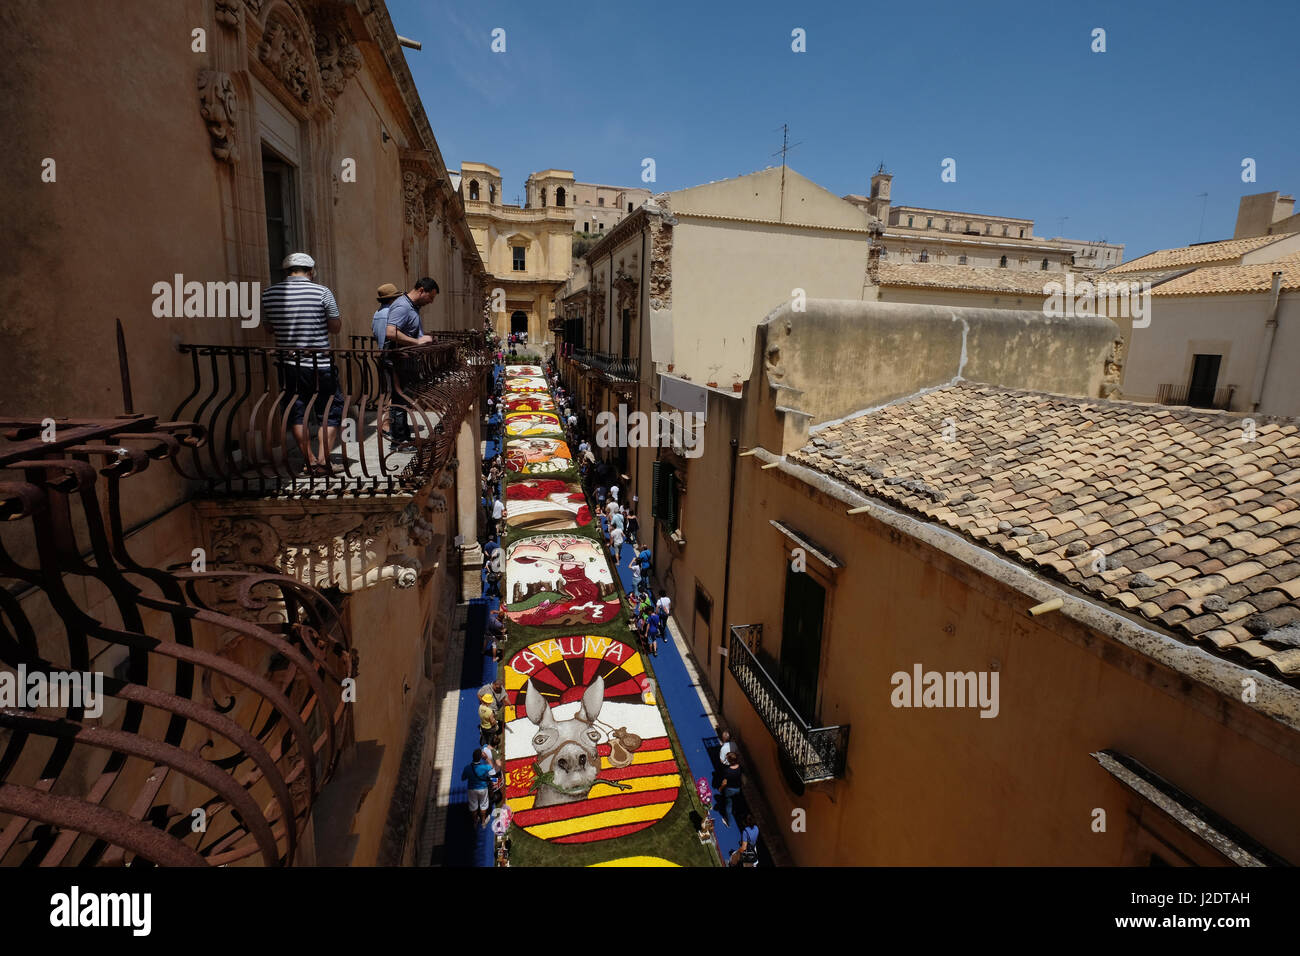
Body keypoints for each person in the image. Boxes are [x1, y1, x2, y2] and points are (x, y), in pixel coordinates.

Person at [261, 252, 344, 474]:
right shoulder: (322, 291)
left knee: (297, 412)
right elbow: (336, 326)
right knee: (330, 410)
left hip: (289, 365)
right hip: (320, 364)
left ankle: (309, 461)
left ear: (287, 271)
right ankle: (324, 461)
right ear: (311, 271)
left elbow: (269, 328)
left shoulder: (268, 294)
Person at [380, 278, 438, 446]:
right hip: (398, 361)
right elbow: (391, 332)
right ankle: (398, 441)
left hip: (405, 361)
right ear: (421, 290)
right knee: (399, 402)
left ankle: (403, 437)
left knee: (403, 401)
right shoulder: (402, 306)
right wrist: (417, 342)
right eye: (430, 297)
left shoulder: (411, 307)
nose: (431, 301)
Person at [464, 749, 492, 828]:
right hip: (483, 789)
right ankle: (483, 822)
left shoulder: (467, 768)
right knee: (483, 804)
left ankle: (475, 821)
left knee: (473, 806)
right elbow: (491, 767)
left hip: (472, 789)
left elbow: (463, 778)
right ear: (480, 757)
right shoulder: (484, 767)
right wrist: (486, 758)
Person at [715, 751, 743, 828]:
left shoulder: (727, 771)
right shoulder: (740, 767)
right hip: (738, 788)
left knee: (728, 806)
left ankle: (728, 822)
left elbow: (724, 783)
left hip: (730, 790)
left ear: (730, 761)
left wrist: (720, 788)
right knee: (735, 801)